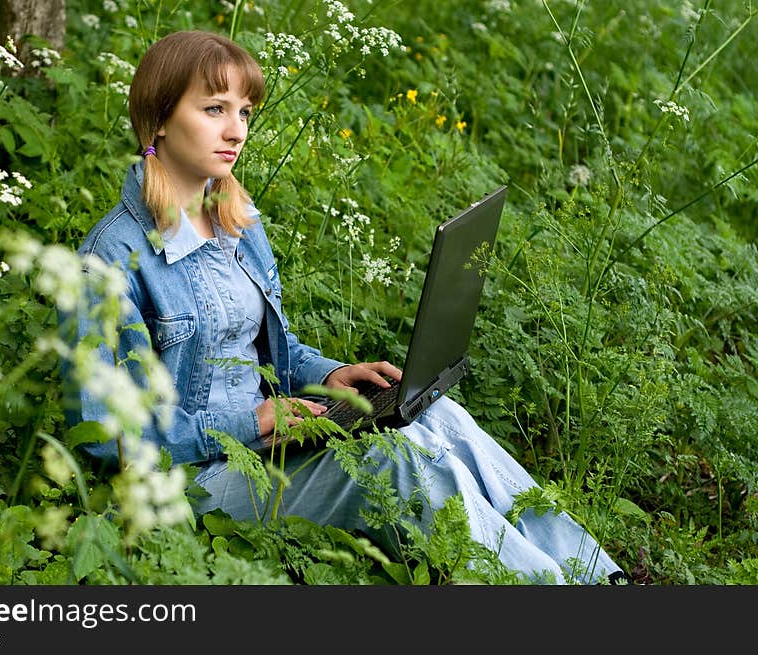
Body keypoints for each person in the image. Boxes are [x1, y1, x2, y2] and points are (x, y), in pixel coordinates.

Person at [63, 29, 626, 584]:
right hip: (190, 483)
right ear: (159, 119)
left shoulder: (235, 218)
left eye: (245, 112)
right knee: (394, 463)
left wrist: (330, 377)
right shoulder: (109, 259)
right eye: (214, 109)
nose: (236, 131)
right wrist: (253, 422)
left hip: (266, 447)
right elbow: (104, 433)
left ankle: (598, 576)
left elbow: (261, 354)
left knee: (437, 416)